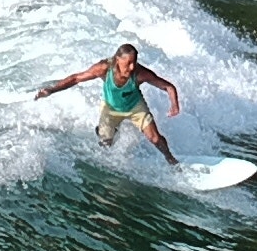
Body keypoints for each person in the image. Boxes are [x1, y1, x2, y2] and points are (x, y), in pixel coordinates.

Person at [36, 42, 181, 164]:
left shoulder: (140, 73)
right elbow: (76, 78)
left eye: (134, 62)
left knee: (155, 138)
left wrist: (174, 105)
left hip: (135, 106)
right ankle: (105, 130)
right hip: (111, 107)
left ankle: (170, 159)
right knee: (105, 143)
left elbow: (168, 86)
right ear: (118, 59)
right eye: (128, 63)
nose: (132, 67)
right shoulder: (104, 68)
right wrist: (51, 90)